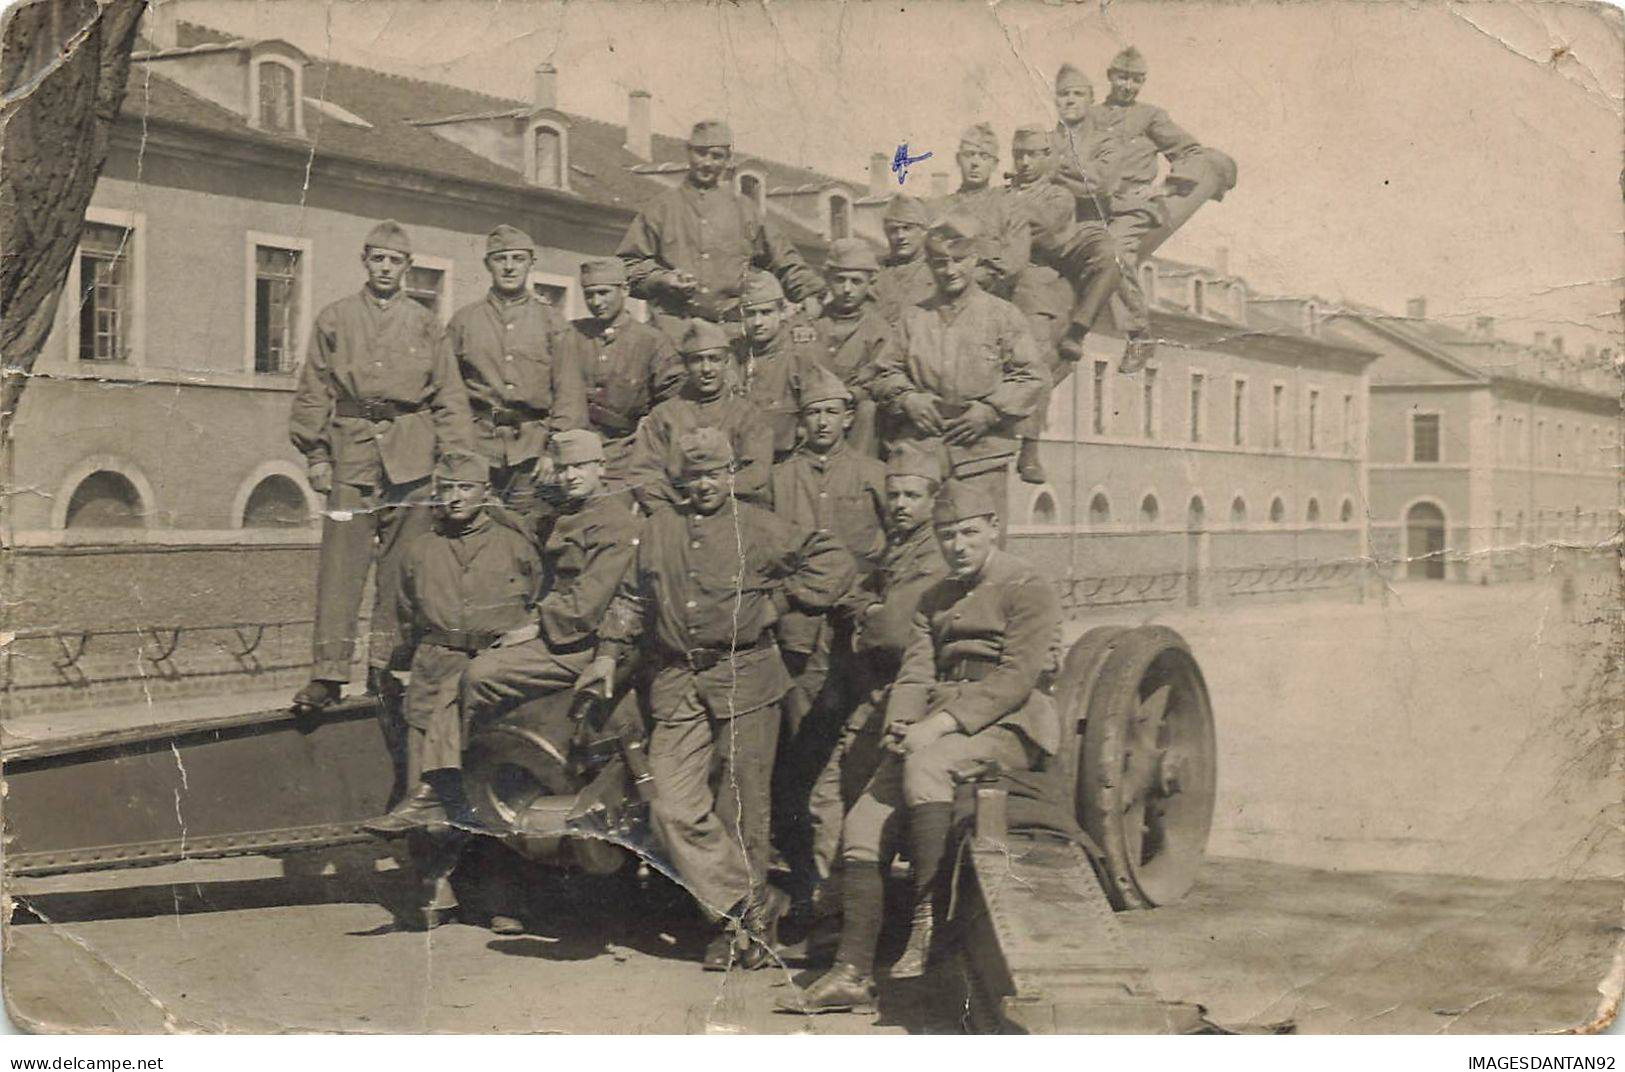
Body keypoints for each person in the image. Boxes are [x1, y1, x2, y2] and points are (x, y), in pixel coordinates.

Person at [579, 427, 856, 971]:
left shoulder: (759, 526)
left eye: (713, 474)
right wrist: (608, 654)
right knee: (670, 802)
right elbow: (634, 597)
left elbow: (832, 562)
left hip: (746, 676)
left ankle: (738, 932)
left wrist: (779, 603)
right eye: (693, 476)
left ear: (730, 475)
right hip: (679, 681)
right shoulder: (659, 528)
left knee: (744, 808)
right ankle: (748, 902)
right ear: (679, 481)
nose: (703, 485)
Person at [779, 479, 1062, 1012]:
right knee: (862, 822)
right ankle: (851, 972)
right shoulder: (934, 598)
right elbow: (916, 671)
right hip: (937, 725)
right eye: (947, 535)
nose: (958, 546)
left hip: (1007, 725)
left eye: (969, 534)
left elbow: (1017, 677)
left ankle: (931, 931)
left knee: (925, 770)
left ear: (994, 529)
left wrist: (941, 724)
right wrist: (903, 722)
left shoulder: (1027, 585)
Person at [288, 220, 476, 754]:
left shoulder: (425, 325)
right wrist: (317, 455)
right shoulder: (335, 318)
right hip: (352, 454)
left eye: (395, 261)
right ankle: (328, 673)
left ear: (407, 268)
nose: (386, 268)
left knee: (401, 573)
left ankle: (384, 668)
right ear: (365, 262)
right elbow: (313, 391)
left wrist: (456, 464)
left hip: (413, 457)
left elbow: (449, 397)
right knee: (341, 566)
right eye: (377, 259)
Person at [362, 451, 542, 930]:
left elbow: (537, 602)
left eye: (465, 487)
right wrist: (385, 665)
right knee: (427, 786)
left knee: (493, 787)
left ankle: (501, 898)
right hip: (434, 671)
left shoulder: (514, 545)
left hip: (494, 677)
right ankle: (435, 890)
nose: (455, 497)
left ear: (486, 491)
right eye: (447, 488)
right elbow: (398, 614)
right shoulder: (419, 551)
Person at [766, 368, 887, 909]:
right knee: (800, 757)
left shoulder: (872, 475)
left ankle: (845, 871)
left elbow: (894, 546)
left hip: (852, 636)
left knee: (846, 757)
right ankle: (808, 877)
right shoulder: (777, 479)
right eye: (811, 412)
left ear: (847, 418)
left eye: (830, 412)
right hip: (796, 636)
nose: (821, 422)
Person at [869, 212, 1048, 533]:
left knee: (980, 545)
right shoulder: (914, 318)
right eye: (939, 262)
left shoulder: (1003, 316)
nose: (949, 270)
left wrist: (990, 411)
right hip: (920, 455)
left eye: (959, 259)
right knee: (919, 548)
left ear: (975, 259)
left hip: (980, 454)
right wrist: (908, 399)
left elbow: (1031, 377)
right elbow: (883, 373)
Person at [460, 429, 644, 730]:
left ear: (601, 466)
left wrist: (531, 627)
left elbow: (585, 606)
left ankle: (477, 763)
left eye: (580, 466)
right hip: (563, 630)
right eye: (562, 468)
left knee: (478, 675)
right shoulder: (570, 511)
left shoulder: (615, 524)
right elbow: (531, 531)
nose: (570, 476)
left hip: (586, 643)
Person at [617, 119, 823, 343]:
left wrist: (809, 293)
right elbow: (627, 266)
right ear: (688, 153)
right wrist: (663, 279)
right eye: (700, 153)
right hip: (673, 334)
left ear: (728, 159)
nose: (707, 163)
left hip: (731, 336)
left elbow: (783, 258)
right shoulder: (660, 208)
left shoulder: (745, 210)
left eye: (716, 156)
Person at [1007, 123, 1123, 484]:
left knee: (1037, 354)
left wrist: (1005, 211)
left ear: (1048, 158)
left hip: (1039, 277)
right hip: (1006, 271)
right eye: (1018, 155)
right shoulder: (1004, 194)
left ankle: (1029, 445)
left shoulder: (1057, 195)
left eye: (1032, 155)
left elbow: (1046, 227)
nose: (1024, 162)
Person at [444, 225, 588, 515]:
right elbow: (449, 392)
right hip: (478, 447)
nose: (509, 267)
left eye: (518, 259)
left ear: (531, 263)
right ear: (487, 264)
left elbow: (569, 394)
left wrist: (554, 452)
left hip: (533, 452)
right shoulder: (463, 322)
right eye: (500, 259)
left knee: (527, 535)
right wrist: (460, 448)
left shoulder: (553, 323)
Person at [1094, 48, 1204, 373]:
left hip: (1133, 206)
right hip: (1094, 206)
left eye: (1135, 80)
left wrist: (1168, 187)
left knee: (1113, 253)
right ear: (1110, 77)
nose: (1128, 86)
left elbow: (1190, 152)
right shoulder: (1089, 117)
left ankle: (1138, 333)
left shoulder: (1151, 116)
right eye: (1122, 78)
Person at [624, 319, 776, 510]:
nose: (706, 369)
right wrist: (676, 508)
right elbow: (643, 474)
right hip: (677, 512)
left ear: (727, 362)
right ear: (685, 366)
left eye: (714, 359)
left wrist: (716, 496)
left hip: (732, 512)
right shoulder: (664, 416)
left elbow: (756, 474)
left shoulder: (748, 414)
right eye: (697, 360)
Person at [567, 259, 684, 489]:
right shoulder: (571, 334)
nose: (596, 302)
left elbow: (673, 402)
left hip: (624, 453)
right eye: (589, 295)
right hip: (573, 453)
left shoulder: (652, 341)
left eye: (603, 293)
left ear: (625, 290)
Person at [805, 238, 898, 456]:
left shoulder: (878, 330)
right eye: (840, 280)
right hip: (812, 412)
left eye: (856, 281)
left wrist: (851, 395)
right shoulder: (811, 322)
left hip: (856, 416)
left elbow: (880, 378)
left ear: (869, 283)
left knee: (869, 410)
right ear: (826, 279)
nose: (847, 289)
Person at [929, 123, 1030, 301]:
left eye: (984, 156)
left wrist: (971, 280)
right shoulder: (940, 208)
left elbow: (1014, 261)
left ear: (994, 164)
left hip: (992, 298)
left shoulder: (1009, 206)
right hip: (942, 296)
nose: (975, 163)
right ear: (958, 160)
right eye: (969, 155)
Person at [733, 271, 828, 460]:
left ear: (782, 312)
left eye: (766, 312)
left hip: (789, 456)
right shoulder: (735, 352)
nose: (758, 322)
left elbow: (820, 412)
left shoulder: (802, 352)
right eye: (750, 314)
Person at [872, 194, 936, 326]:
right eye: (893, 230)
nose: (900, 236)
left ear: (924, 231)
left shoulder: (938, 270)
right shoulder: (875, 270)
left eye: (907, 228)